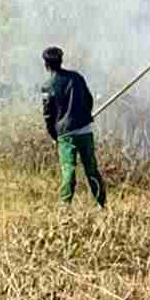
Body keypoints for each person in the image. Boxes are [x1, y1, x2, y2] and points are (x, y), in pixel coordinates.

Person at [41, 46, 106, 208]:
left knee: (68, 169)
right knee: (91, 168)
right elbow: (89, 100)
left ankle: (65, 205)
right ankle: (101, 204)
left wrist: (54, 136)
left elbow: (48, 116)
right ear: (61, 60)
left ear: (46, 64)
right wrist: (83, 116)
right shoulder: (77, 78)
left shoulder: (47, 86)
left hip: (65, 135)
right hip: (85, 130)